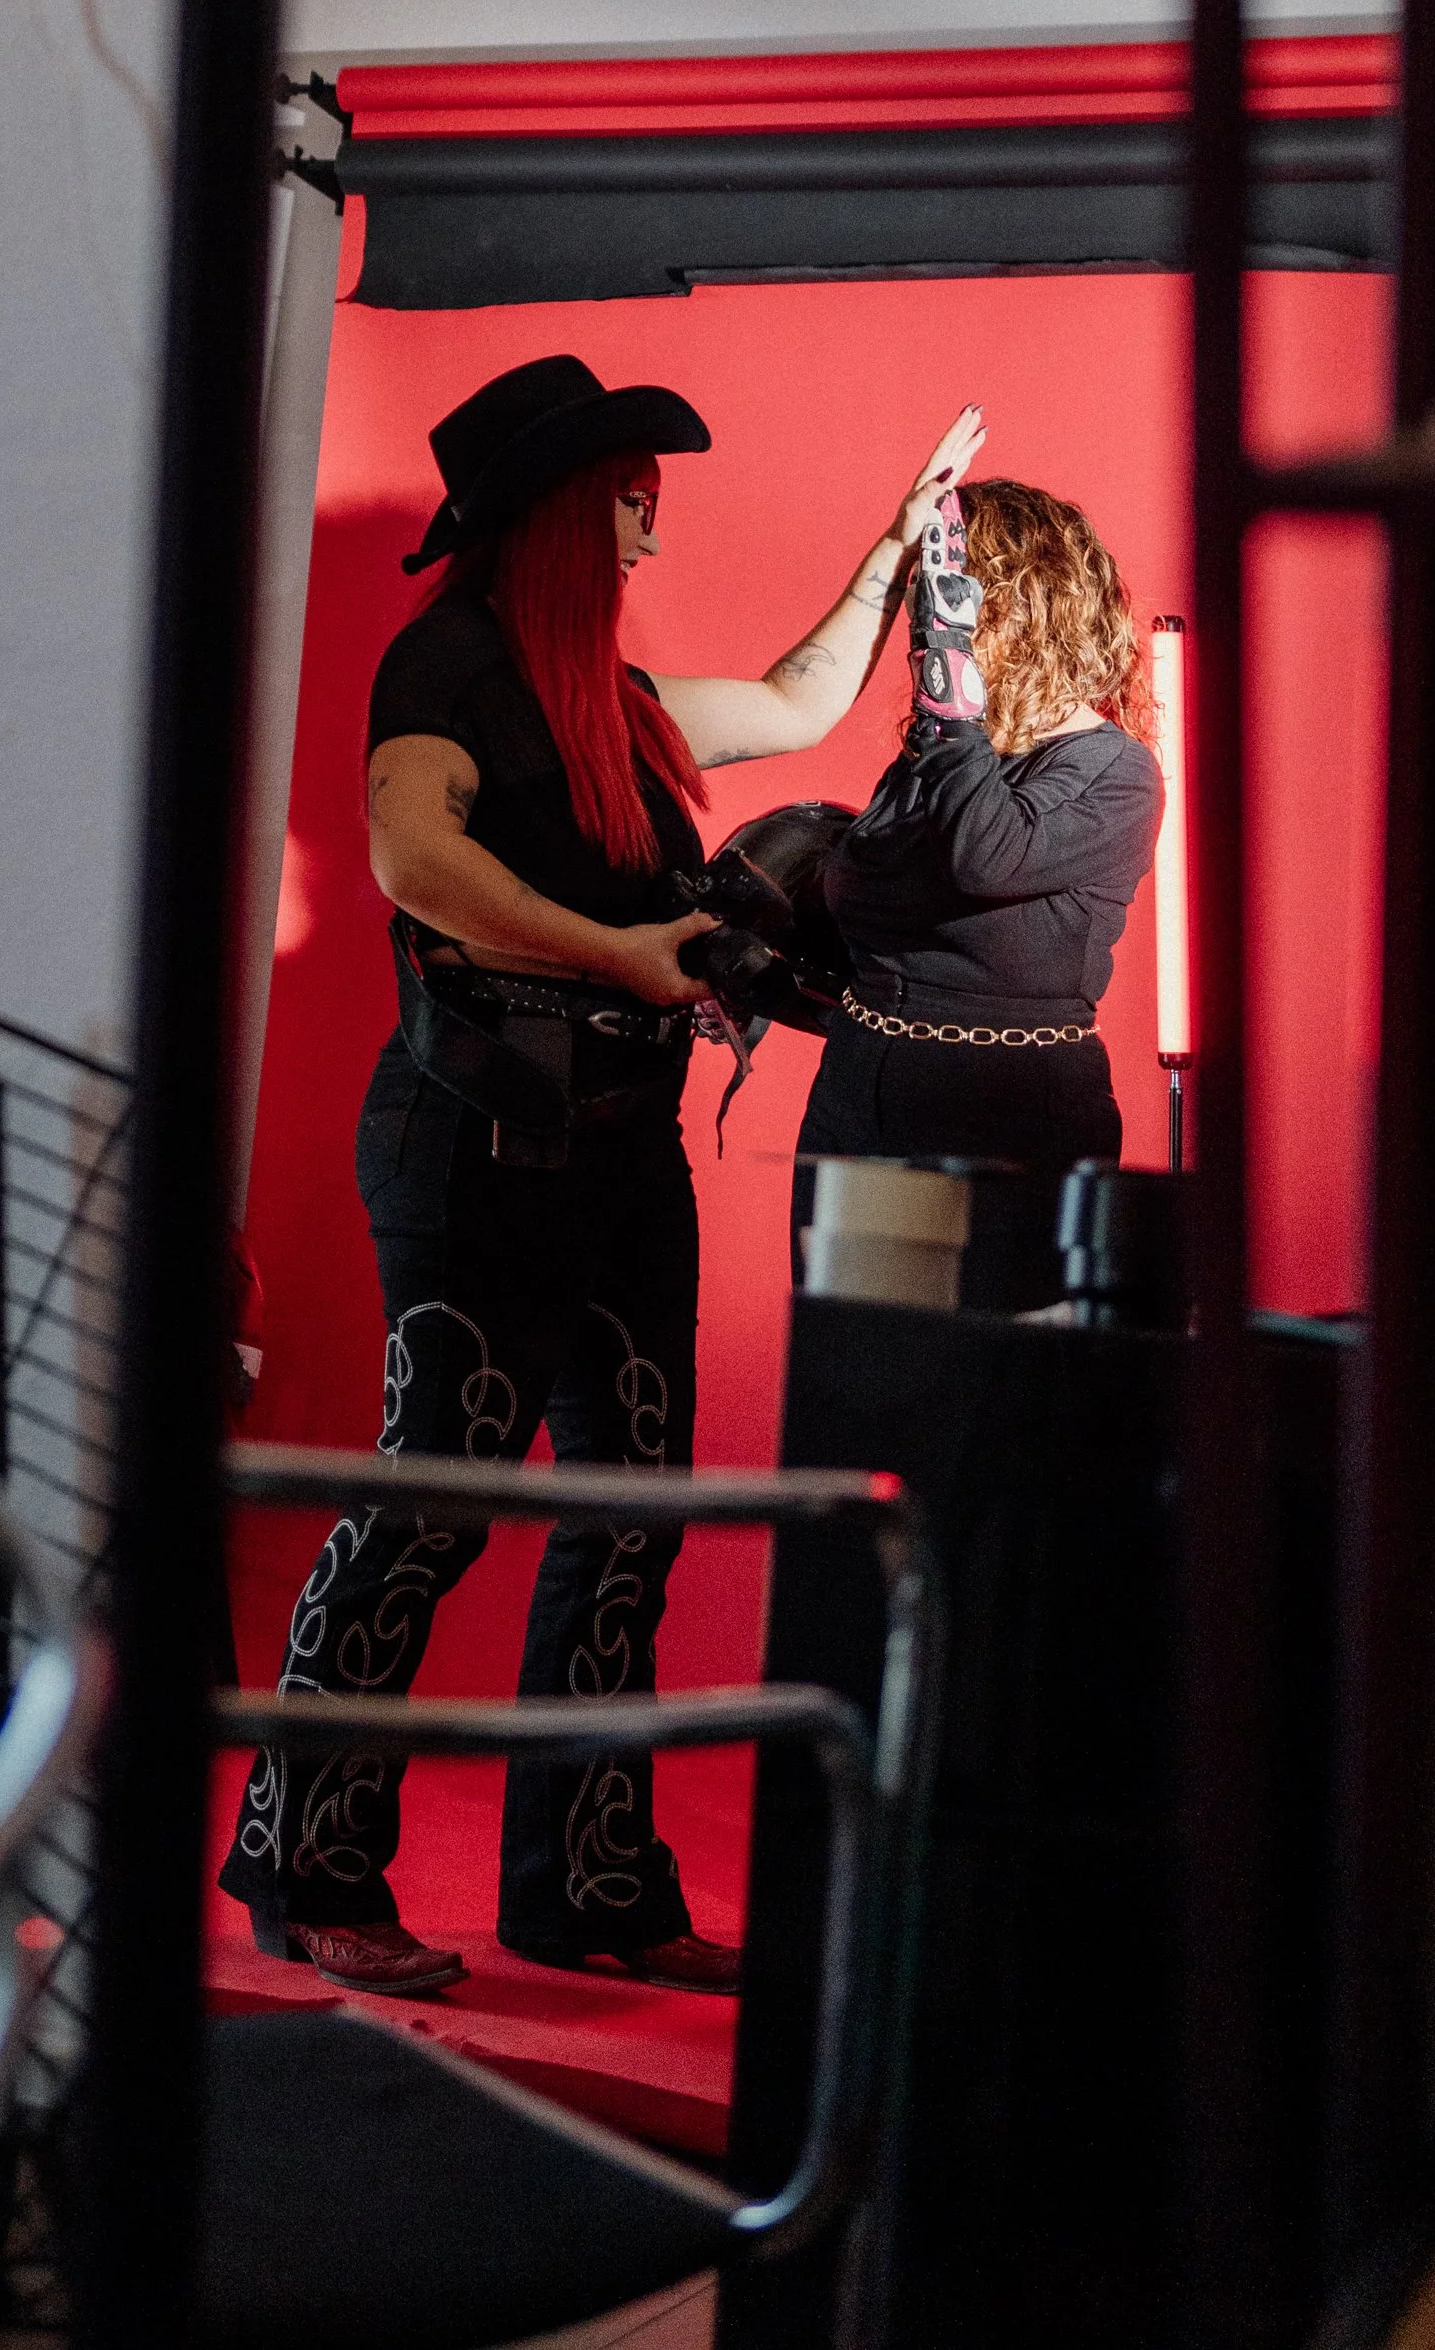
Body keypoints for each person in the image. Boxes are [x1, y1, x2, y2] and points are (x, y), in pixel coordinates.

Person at [220, 352, 983, 2001]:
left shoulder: (618, 711)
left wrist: (886, 550)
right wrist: (620, 956)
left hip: (622, 1158)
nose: (649, 521)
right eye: (630, 493)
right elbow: (414, 858)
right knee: (434, 1505)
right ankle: (304, 1864)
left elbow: (792, 704)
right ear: (568, 510)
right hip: (473, 1151)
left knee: (626, 1515)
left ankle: (587, 1883)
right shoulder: (448, 669)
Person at [799, 476, 1163, 1176]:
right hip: (855, 1098)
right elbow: (861, 884)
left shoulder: (1113, 769)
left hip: (1011, 1116)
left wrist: (949, 683)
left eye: (951, 589)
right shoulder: (946, 752)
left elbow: (987, 856)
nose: (928, 610)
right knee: (845, 1293)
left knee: (995, 1290)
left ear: (1025, 603)